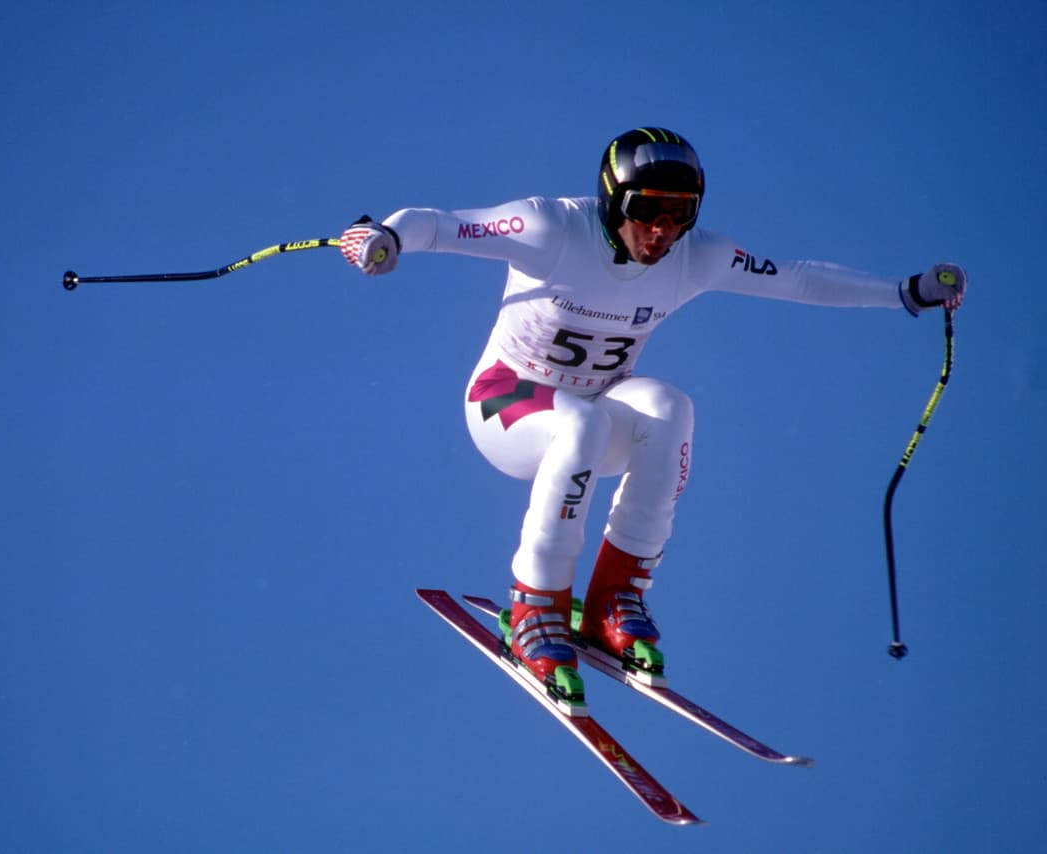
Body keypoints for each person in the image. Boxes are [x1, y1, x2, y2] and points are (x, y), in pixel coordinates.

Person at [338, 127, 966, 698]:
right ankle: (534, 602)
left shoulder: (697, 257)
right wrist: (386, 236)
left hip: (591, 416)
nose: (662, 229)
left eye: (681, 214)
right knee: (581, 424)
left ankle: (614, 598)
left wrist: (905, 292)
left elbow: (798, 280)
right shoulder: (549, 227)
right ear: (613, 202)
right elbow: (440, 225)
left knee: (667, 406)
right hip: (505, 406)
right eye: (646, 210)